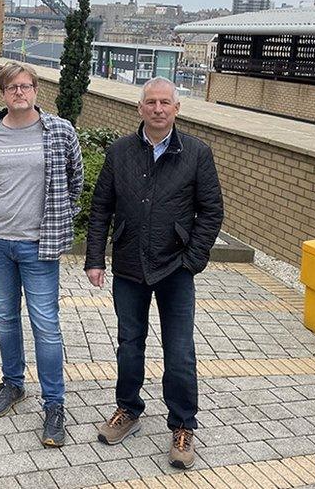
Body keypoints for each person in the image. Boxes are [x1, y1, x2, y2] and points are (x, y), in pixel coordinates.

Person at [84, 77, 223, 469]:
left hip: (176, 269)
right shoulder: (120, 152)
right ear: (140, 108)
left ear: (177, 108)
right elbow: (101, 209)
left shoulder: (197, 153)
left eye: (165, 102)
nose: (158, 109)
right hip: (129, 266)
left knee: (179, 352)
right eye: (151, 102)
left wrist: (192, 259)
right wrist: (96, 258)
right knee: (130, 344)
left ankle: (182, 425)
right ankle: (128, 410)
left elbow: (211, 212)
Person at [0, 62, 83, 448]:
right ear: (2, 93)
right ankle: (13, 383)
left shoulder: (59, 130)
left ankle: (54, 404)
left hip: (39, 245)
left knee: (45, 325)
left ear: (37, 90)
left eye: (26, 86)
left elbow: (76, 181)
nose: (20, 93)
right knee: (5, 317)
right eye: (12, 87)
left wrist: (58, 219)